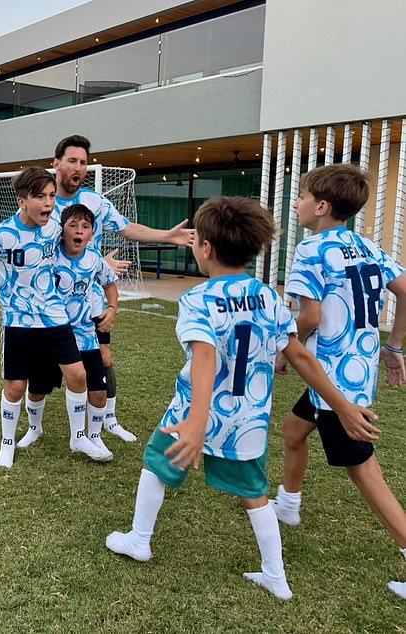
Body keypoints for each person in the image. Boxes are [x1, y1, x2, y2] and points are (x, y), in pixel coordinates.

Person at [105, 196, 377, 600]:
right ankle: (276, 577)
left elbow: (204, 357)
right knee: (255, 493)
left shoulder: (198, 299)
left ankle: (140, 539)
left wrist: (197, 420)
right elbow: (300, 356)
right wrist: (341, 404)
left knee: (155, 464)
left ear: (206, 248)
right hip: (246, 419)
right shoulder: (268, 296)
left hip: (192, 413)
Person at [270, 164, 406, 599]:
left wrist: (288, 350)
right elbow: (405, 290)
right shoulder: (367, 246)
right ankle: (288, 505)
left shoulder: (312, 251)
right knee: (293, 431)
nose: (296, 204)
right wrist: (394, 347)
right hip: (354, 371)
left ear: (322, 206)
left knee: (364, 471)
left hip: (332, 381)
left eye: (302, 196)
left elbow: (308, 317)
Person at [0, 167, 111, 468]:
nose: (48, 203)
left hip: (55, 318)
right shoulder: (3, 233)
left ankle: (78, 436)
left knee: (79, 376)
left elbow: (78, 243)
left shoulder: (56, 227)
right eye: (40, 196)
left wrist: (103, 263)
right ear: (21, 201)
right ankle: (7, 442)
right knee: (16, 387)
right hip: (19, 322)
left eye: (52, 196)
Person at [52, 134, 194, 444]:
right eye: (73, 160)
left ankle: (108, 421)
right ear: (57, 163)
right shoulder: (44, 202)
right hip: (50, 303)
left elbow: (127, 227)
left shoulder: (94, 202)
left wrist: (166, 236)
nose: (79, 167)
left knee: (102, 359)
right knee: (43, 366)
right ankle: (34, 425)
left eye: (84, 162)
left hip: (89, 301)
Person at [20, 204, 119, 460]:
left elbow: (109, 283)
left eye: (85, 226)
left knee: (97, 390)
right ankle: (34, 429)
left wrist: (112, 308)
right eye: (73, 225)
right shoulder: (50, 256)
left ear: (91, 233)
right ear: (62, 231)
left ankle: (93, 437)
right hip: (51, 332)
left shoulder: (95, 260)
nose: (79, 231)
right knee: (38, 387)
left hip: (85, 335)